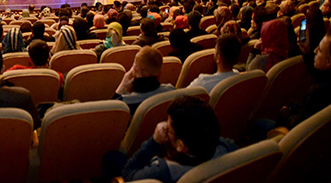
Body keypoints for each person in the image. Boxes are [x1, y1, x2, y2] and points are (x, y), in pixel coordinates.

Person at [101, 96, 237, 183]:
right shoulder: (228, 146)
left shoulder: (162, 170)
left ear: (181, 146)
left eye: (169, 128)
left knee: (111, 157)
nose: (165, 126)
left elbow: (127, 173)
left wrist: (154, 141)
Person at [113, 46, 174, 114]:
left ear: (135, 69)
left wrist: (122, 85)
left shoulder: (125, 103)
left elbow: (111, 116)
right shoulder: (170, 90)